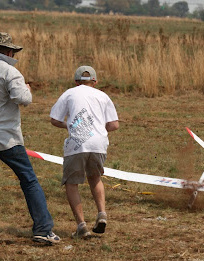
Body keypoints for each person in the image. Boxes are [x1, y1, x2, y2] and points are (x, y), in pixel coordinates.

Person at [0, 32, 60, 247]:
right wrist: (27, 89)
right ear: (8, 52)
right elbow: (22, 99)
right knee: (29, 181)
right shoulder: (11, 72)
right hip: (6, 139)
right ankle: (43, 230)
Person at [50, 65, 119, 239]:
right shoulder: (103, 96)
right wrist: (97, 128)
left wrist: (69, 125)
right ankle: (102, 213)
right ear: (95, 81)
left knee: (72, 183)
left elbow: (54, 120)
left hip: (76, 145)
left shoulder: (69, 93)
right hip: (99, 145)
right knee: (95, 178)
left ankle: (81, 226)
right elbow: (114, 125)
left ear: (76, 81)